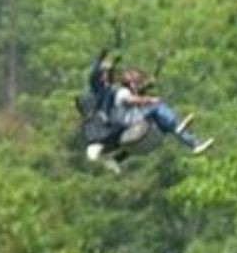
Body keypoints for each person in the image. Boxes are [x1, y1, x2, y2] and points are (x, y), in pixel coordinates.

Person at [80, 51, 214, 170]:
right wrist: (150, 100)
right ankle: (177, 127)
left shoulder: (117, 92)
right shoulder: (117, 92)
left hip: (125, 123)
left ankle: (194, 143)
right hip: (124, 122)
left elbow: (134, 95)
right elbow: (129, 99)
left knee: (164, 123)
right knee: (157, 108)